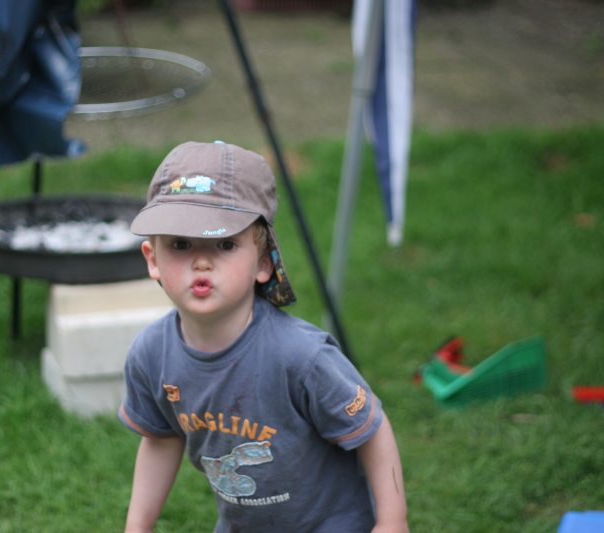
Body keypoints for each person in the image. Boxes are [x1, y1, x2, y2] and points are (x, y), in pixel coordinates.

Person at [118, 141, 409, 533]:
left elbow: (372, 429)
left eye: (225, 243)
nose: (201, 261)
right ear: (153, 259)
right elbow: (161, 438)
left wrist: (392, 522)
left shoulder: (302, 356)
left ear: (263, 263)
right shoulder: (151, 355)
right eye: (180, 244)